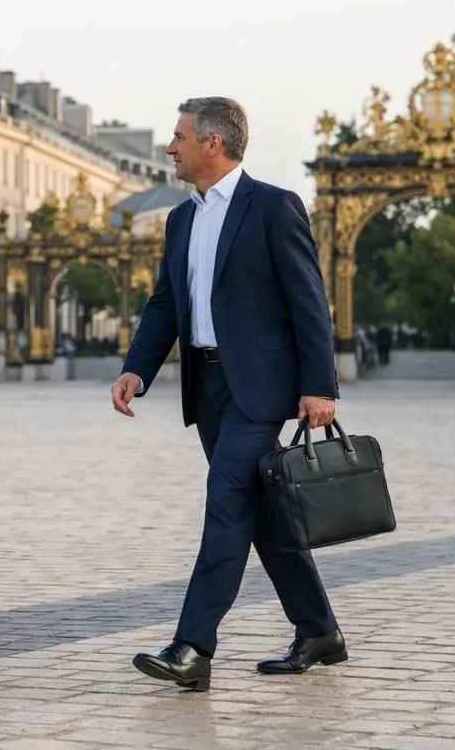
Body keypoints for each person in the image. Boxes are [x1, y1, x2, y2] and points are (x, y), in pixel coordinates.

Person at [110, 96, 344, 692]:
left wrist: (319, 386)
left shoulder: (272, 206)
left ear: (213, 143)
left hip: (261, 389)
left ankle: (192, 647)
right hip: (207, 385)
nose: (170, 147)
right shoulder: (180, 219)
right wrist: (138, 368)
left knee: (226, 501)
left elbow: (308, 300)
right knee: (261, 511)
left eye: (179, 136)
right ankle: (319, 630)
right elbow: (166, 302)